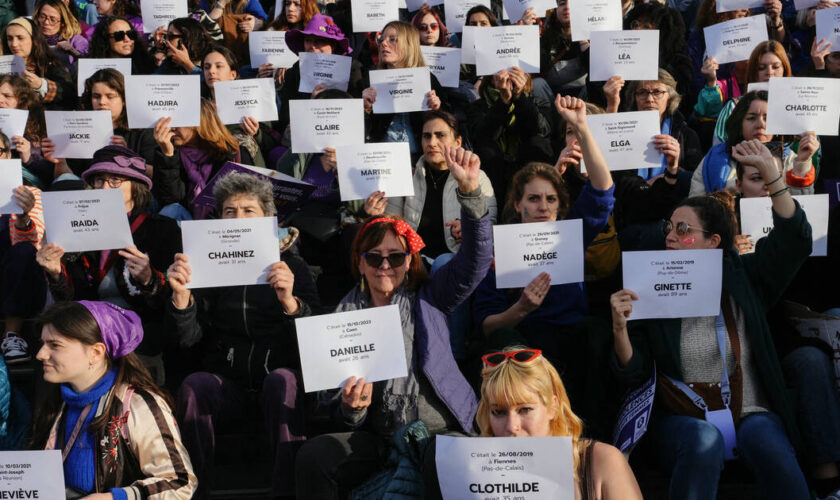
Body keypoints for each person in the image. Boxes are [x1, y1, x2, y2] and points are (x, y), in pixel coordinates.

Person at [610, 139, 813, 499]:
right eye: (669, 228)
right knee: (703, 442)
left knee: (768, 441)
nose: (671, 237)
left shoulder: (743, 276)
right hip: (679, 418)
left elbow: (794, 241)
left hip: (748, 409)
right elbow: (634, 370)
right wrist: (620, 328)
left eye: (683, 231)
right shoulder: (650, 281)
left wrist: (774, 179)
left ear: (713, 241)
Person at [294, 145, 493, 499]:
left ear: (409, 261)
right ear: (360, 262)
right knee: (315, 456)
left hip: (440, 431)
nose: (385, 266)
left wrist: (471, 195)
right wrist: (351, 410)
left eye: (396, 256)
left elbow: (476, 261)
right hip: (380, 438)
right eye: (374, 257)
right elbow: (337, 411)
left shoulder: (431, 297)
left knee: (434, 456)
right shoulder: (343, 318)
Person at [166, 172, 317, 499]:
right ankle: (194, 492)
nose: (238, 218)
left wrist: (291, 303)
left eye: (248, 210)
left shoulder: (293, 267)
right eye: (229, 211)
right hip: (229, 384)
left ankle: (286, 492)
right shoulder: (205, 269)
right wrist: (182, 299)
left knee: (284, 381)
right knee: (194, 386)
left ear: (267, 218)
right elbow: (189, 339)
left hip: (275, 383)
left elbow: (315, 340)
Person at [473, 96, 615, 437]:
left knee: (597, 334)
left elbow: (603, 191)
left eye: (550, 199)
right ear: (517, 204)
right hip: (526, 346)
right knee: (507, 341)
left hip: (572, 339)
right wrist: (520, 309)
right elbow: (488, 325)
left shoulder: (570, 235)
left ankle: (591, 438)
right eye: (533, 199)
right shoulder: (498, 248)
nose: (542, 206)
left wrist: (581, 126)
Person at [35, 146, 182, 379]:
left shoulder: (162, 229)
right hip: (88, 332)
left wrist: (149, 278)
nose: (104, 187)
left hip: (142, 336)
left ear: (136, 186)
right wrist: (55, 273)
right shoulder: (75, 228)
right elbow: (71, 299)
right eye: (99, 180)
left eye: (115, 180)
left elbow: (170, 301)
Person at [424, 347, 643, 499]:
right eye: (498, 412)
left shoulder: (601, 462)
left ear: (553, 407)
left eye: (525, 409)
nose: (512, 426)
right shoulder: (468, 472)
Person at [30, 300, 197, 497]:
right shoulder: (57, 401)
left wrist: (116, 497)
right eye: (42, 343)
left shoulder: (137, 405)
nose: (41, 354)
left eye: (55, 345)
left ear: (96, 352)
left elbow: (180, 483)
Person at [373, 110, 497, 261]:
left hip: (457, 261)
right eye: (427, 136)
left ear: (457, 142)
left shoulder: (477, 177)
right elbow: (391, 225)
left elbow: (488, 227)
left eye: (440, 135)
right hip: (413, 262)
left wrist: (468, 226)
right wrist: (375, 215)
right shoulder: (405, 175)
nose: (431, 143)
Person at [689, 91, 816, 196]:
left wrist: (802, 164)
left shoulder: (790, 159)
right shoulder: (714, 157)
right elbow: (697, 207)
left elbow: (801, 208)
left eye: (768, 119)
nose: (760, 124)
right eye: (751, 118)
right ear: (739, 124)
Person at [152, 98, 260, 220]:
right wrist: (168, 156)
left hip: (226, 224)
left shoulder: (234, 153)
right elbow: (170, 200)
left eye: (178, 121)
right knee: (171, 210)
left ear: (199, 123)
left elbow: (251, 199)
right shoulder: (170, 151)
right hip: (188, 224)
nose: (171, 128)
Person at [361, 21, 443, 151]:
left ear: (409, 45)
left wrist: (434, 110)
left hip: (419, 157)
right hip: (381, 156)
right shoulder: (370, 81)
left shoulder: (428, 80)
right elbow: (358, 131)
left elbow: (446, 127)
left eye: (392, 40)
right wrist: (364, 109)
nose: (383, 43)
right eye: (381, 39)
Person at [0, 131, 45, 364]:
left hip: (15, 276)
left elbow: (34, 246)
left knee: (24, 252)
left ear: (8, 155)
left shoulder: (30, 194)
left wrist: (22, 218)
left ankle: (12, 334)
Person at [277, 13, 355, 131]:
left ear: (333, 45)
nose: (312, 46)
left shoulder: (352, 71)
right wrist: (311, 104)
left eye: (319, 41)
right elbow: (285, 118)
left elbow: (355, 118)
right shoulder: (293, 74)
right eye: (308, 40)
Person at [710, 41, 793, 146]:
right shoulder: (733, 106)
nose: (769, 72)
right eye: (761, 68)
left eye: (776, 67)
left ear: (785, 71)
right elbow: (719, 149)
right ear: (753, 72)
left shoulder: (796, 108)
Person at [2, 17, 75, 110]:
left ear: (33, 39)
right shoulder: (2, 66)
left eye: (20, 38)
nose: (14, 44)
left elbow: (69, 94)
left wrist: (41, 85)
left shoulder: (50, 64)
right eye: (10, 38)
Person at [88, 16, 156, 74]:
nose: (127, 39)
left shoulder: (146, 66)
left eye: (131, 34)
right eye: (119, 35)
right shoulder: (89, 68)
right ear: (105, 39)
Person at [34, 0, 89, 66]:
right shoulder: (30, 37)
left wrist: (73, 51)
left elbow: (88, 64)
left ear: (63, 22)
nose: (46, 22)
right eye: (42, 17)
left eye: (52, 19)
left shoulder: (76, 40)